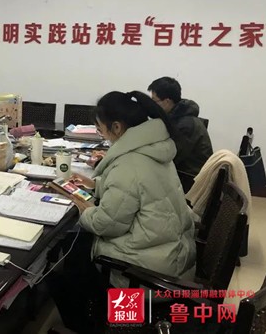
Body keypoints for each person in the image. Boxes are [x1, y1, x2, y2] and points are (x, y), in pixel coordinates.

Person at [48, 91, 196, 333]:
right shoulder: (153, 149)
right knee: (77, 249)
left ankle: (96, 325)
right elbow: (138, 191)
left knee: (67, 268)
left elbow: (107, 224)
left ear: (116, 127)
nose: (102, 135)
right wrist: (96, 184)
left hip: (145, 276)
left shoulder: (129, 164)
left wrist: (86, 209)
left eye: (100, 129)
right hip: (173, 258)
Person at [148, 77, 213, 192]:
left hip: (191, 181)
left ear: (167, 102)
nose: (152, 105)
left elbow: (170, 157)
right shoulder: (178, 117)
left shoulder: (185, 126)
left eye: (154, 101)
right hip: (185, 174)